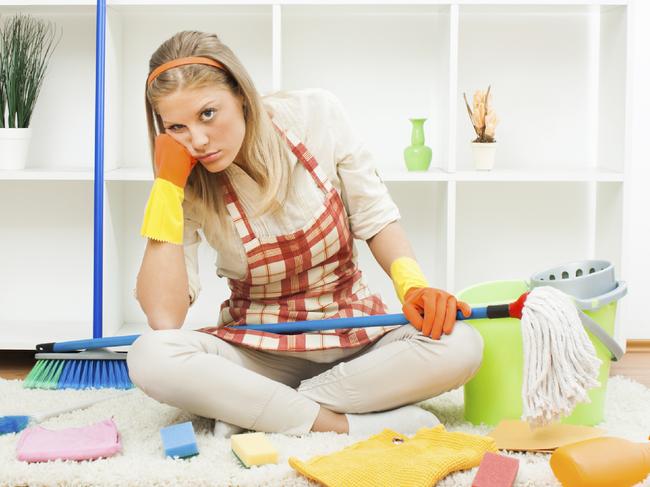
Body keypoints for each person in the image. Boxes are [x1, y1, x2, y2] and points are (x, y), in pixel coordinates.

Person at [127, 30, 484, 437]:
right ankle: (338, 424)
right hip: (258, 349)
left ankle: (257, 409)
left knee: (461, 345)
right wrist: (167, 189)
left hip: (355, 335)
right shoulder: (185, 179)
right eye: (177, 127)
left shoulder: (315, 115)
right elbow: (164, 317)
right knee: (149, 356)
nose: (199, 141)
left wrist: (413, 286)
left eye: (208, 113)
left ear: (241, 94)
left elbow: (376, 217)